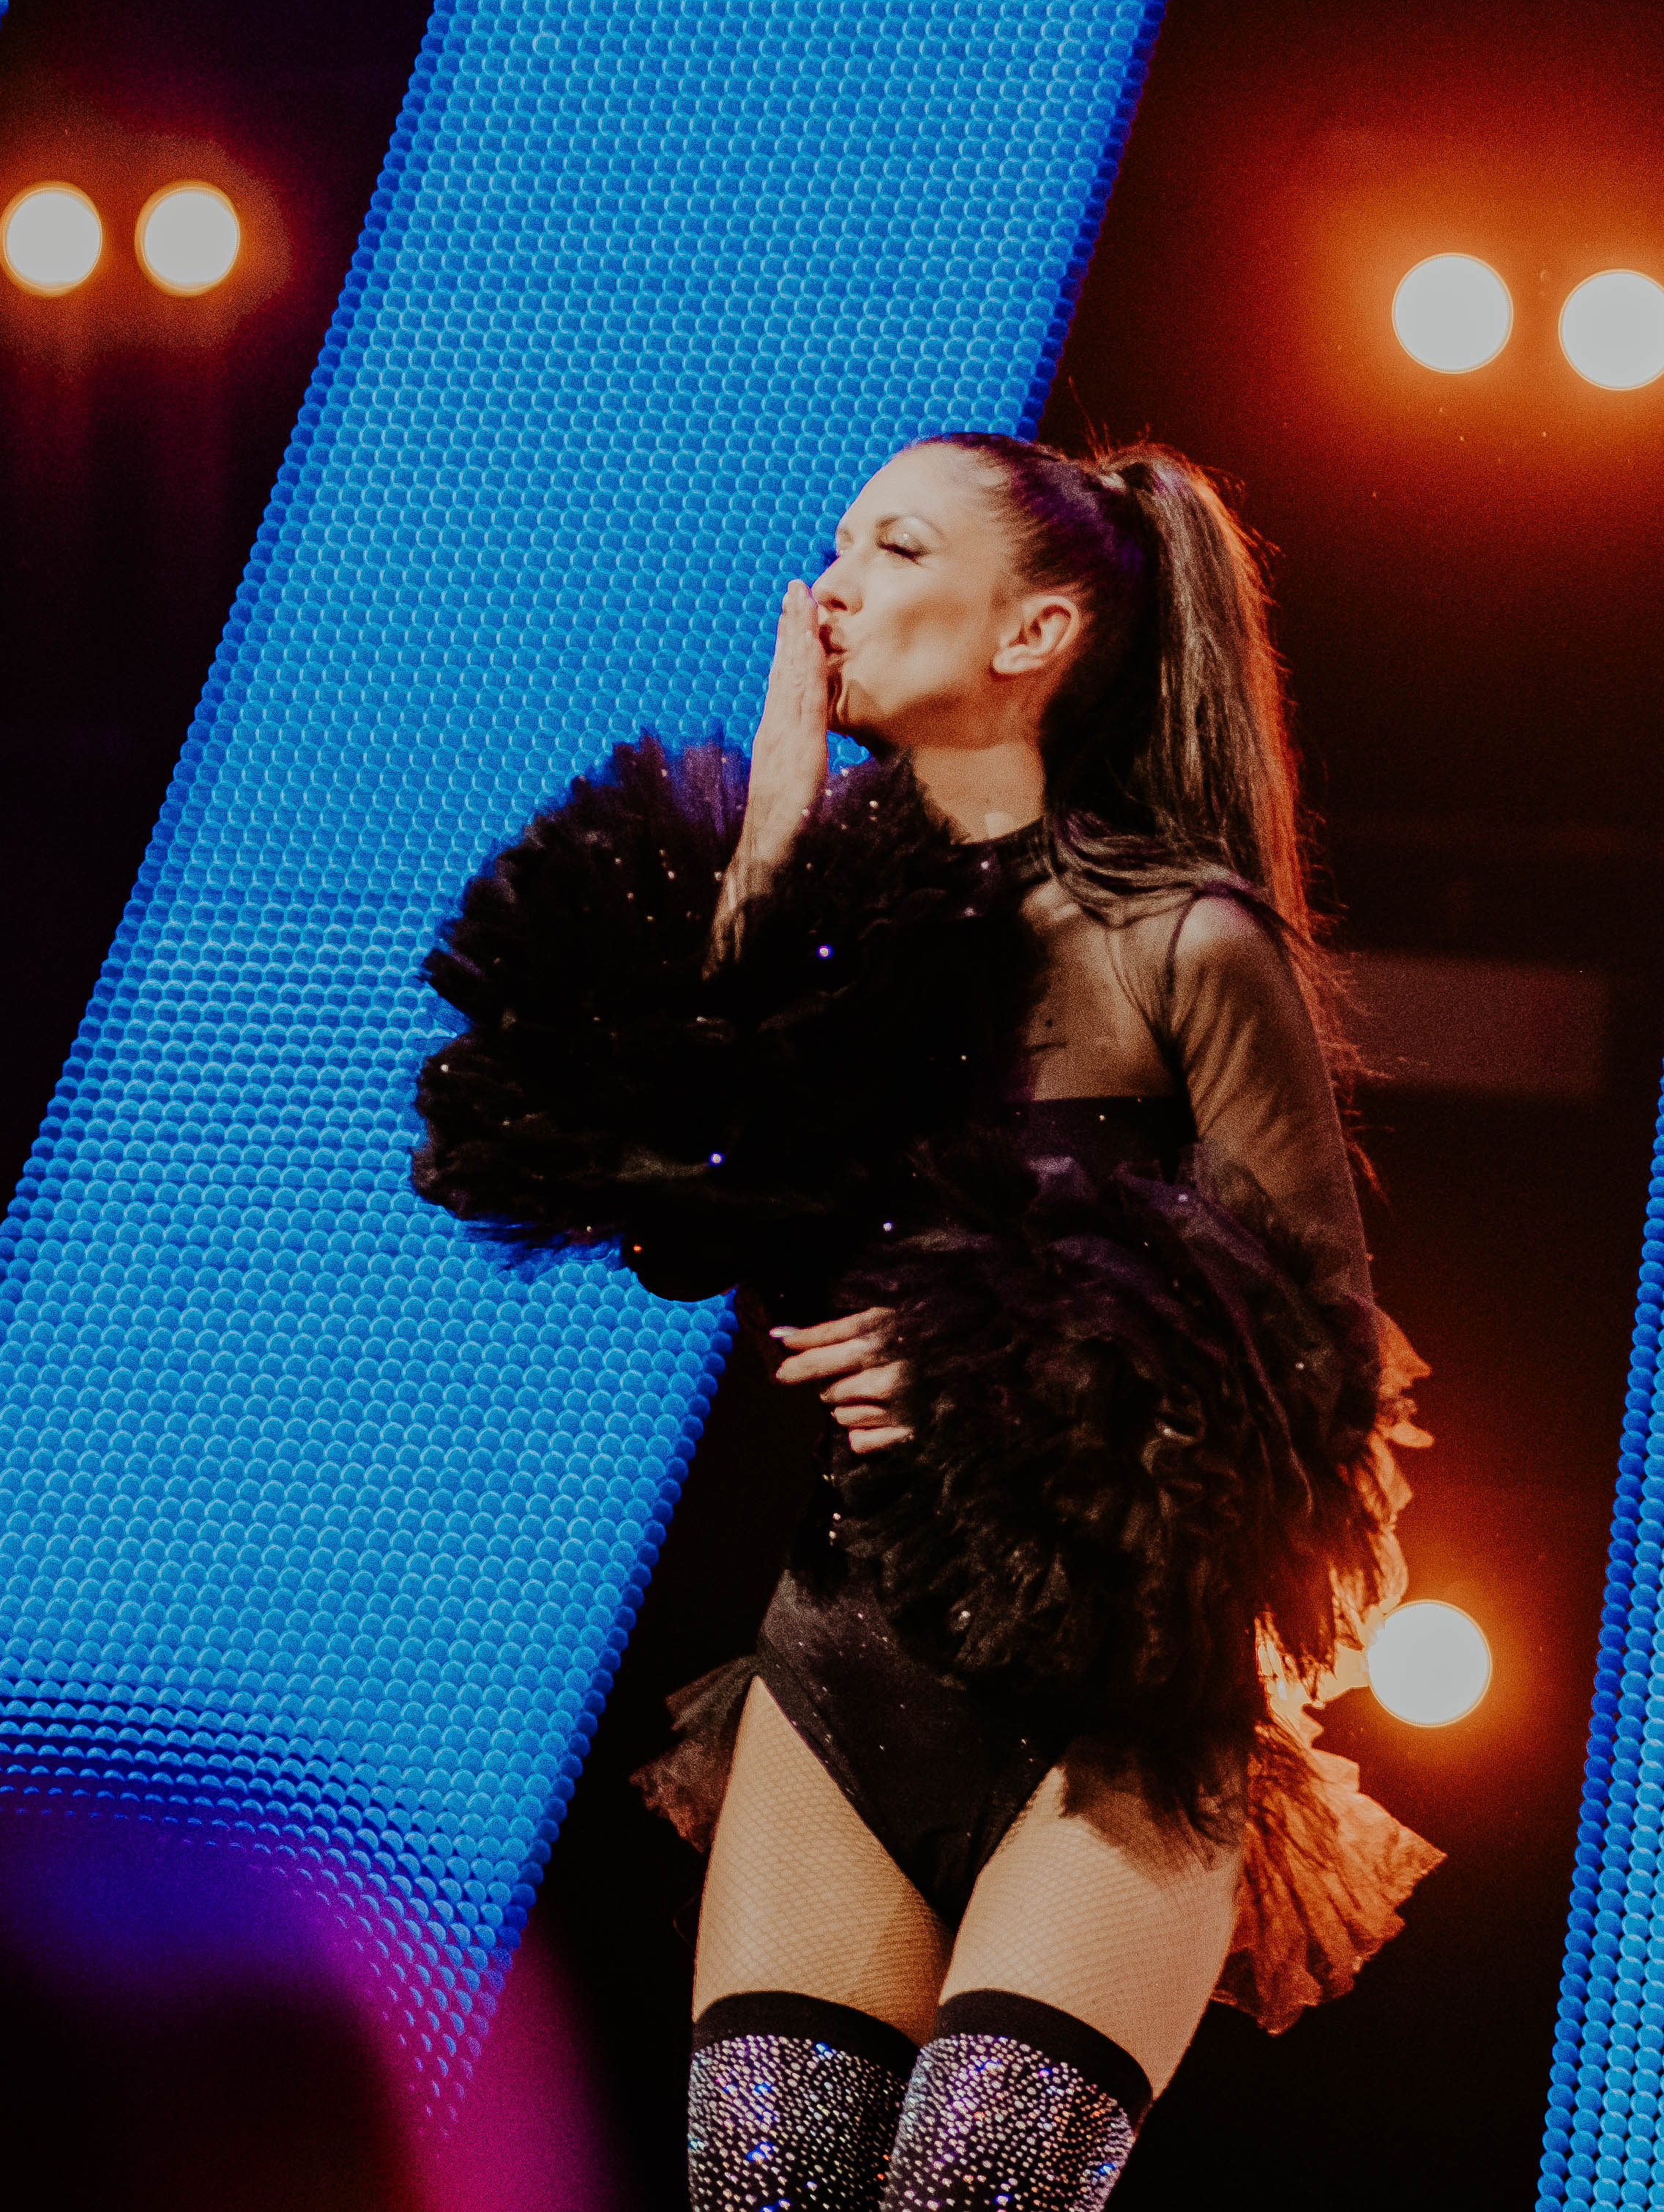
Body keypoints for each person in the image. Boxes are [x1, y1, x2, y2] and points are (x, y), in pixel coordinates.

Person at [412, 434, 1434, 2212]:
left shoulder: (1180, 939)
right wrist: (774, 834)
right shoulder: (827, 936)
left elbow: (1314, 1355)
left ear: (1034, 633)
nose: (831, 591)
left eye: (892, 550)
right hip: (842, 1669)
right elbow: (679, 1205)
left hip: (1120, 1714)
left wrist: (994, 1356)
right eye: (837, 546)